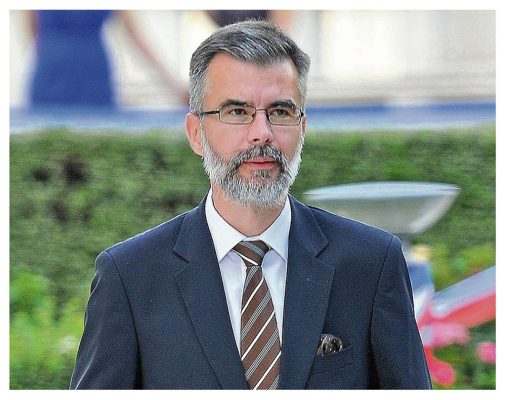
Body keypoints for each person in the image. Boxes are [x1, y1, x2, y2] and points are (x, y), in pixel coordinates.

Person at [70, 20, 432, 389]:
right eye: (237, 112)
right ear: (195, 133)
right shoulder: (130, 277)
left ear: (303, 128)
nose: (262, 133)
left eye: (280, 112)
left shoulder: (371, 264)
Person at [28, 10, 187, 108]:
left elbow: (135, 34)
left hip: (92, 75)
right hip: (52, 72)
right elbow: (32, 26)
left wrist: (173, 85)